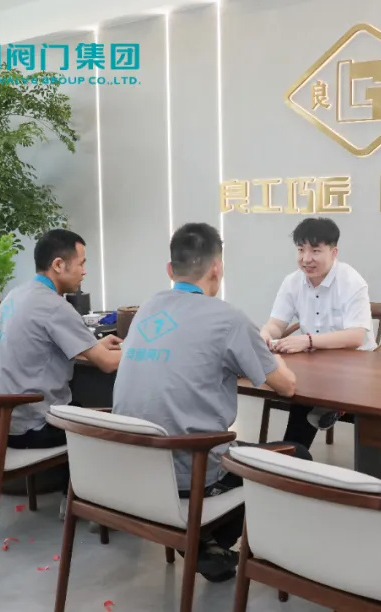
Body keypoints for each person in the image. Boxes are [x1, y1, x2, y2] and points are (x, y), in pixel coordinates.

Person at [112, 222, 305, 583]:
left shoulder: (148, 309)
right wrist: (272, 355)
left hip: (132, 469)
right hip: (190, 475)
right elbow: (287, 386)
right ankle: (209, 541)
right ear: (216, 268)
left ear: (170, 270)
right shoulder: (228, 319)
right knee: (298, 456)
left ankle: (204, 544)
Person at [0, 228, 123, 449]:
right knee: (112, 427)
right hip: (31, 428)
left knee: (80, 406)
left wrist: (94, 345)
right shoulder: (54, 306)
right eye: (81, 264)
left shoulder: (17, 294)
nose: (84, 271)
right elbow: (108, 363)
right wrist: (137, 347)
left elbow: (40, 348)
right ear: (58, 265)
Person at [258, 217, 375, 449]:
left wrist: (308, 340)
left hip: (355, 366)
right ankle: (293, 454)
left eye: (315, 251)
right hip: (315, 364)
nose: (306, 258)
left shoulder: (351, 281)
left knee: (306, 396)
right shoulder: (292, 282)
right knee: (297, 389)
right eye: (301, 250)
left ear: (333, 252)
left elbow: (356, 337)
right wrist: (265, 335)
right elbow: (276, 324)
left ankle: (330, 410)